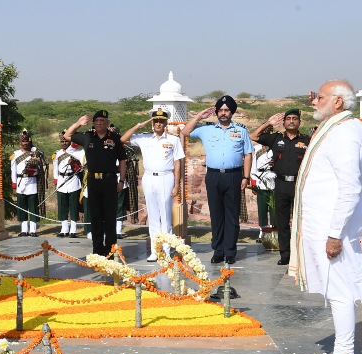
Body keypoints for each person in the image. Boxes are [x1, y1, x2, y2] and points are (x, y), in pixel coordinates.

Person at [290, 80, 362, 354]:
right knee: (336, 290)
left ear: (337, 102)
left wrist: (335, 234)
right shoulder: (336, 127)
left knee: (340, 292)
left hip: (334, 229)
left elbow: (350, 188)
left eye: (319, 97)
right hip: (327, 226)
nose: (313, 101)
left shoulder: (346, 132)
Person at [180, 96, 253, 264]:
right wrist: (199, 117)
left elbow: (248, 154)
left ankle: (230, 251)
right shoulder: (207, 129)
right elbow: (185, 132)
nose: (223, 113)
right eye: (220, 110)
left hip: (234, 175)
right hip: (213, 176)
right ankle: (218, 250)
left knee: (232, 215)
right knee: (216, 214)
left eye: (226, 110)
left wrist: (246, 176)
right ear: (217, 112)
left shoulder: (241, 130)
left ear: (232, 112)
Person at [121, 108, 185, 261]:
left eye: (161, 121)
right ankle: (155, 251)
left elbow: (178, 163)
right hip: (149, 177)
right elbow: (122, 139)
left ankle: (166, 251)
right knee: (153, 216)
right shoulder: (144, 138)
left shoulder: (173, 140)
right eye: (155, 121)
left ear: (166, 123)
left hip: (166, 177)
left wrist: (177, 185)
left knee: (166, 216)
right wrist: (139, 125)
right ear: (152, 122)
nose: (158, 123)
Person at [250, 109, 311, 265]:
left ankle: (300, 253)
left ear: (299, 122)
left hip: (299, 185)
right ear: (283, 122)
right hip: (281, 185)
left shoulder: (307, 140)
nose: (291, 121)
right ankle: (285, 255)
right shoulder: (276, 139)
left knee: (300, 221)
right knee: (282, 222)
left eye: (294, 119)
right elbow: (253, 136)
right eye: (288, 119)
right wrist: (268, 123)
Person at [64, 110, 127, 256]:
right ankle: (97, 252)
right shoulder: (88, 137)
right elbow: (67, 135)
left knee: (110, 218)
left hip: (110, 181)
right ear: (93, 123)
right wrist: (78, 123)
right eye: (96, 121)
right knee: (96, 217)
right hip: (93, 181)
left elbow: (123, 161)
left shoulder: (115, 138)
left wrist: (121, 181)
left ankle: (110, 251)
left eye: (102, 121)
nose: (99, 123)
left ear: (107, 122)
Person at [10, 130, 45, 237]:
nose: (25, 143)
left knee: (33, 207)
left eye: (26, 141)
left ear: (30, 141)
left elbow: (40, 168)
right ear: (20, 142)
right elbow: (13, 171)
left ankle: (33, 230)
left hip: (32, 183)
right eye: (23, 141)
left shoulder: (35, 153)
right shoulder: (16, 154)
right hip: (20, 184)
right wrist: (14, 186)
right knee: (22, 207)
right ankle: (24, 230)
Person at [52, 132, 83, 238]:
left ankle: (73, 230)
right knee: (62, 207)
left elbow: (81, 168)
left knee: (74, 206)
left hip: (73, 180)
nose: (64, 143)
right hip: (62, 180)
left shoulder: (77, 152)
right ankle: (64, 229)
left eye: (66, 141)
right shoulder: (57, 154)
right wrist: (56, 182)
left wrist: (74, 164)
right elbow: (55, 169)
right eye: (62, 141)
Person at [248, 144, 275, 243]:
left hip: (273, 178)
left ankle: (274, 230)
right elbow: (253, 167)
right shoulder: (257, 148)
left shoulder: (275, 146)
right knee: (262, 208)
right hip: (260, 179)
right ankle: (262, 232)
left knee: (273, 209)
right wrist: (253, 184)